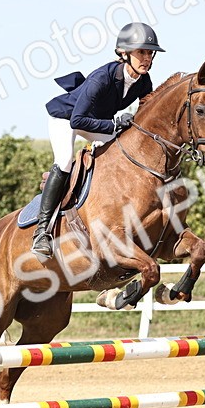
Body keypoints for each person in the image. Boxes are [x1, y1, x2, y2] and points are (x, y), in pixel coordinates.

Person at [32, 22, 164, 259]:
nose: (147, 58)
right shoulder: (101, 78)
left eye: (150, 53)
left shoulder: (144, 81)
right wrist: (115, 125)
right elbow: (77, 121)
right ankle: (42, 231)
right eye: (141, 52)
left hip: (97, 122)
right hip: (67, 118)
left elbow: (146, 115)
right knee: (64, 161)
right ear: (124, 53)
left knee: (123, 148)